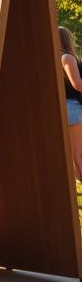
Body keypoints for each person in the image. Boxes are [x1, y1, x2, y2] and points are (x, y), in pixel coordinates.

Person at [59, 26, 82, 182]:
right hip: (72, 107)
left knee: (72, 155)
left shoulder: (54, 57)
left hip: (63, 107)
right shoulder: (67, 57)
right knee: (77, 155)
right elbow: (77, 84)